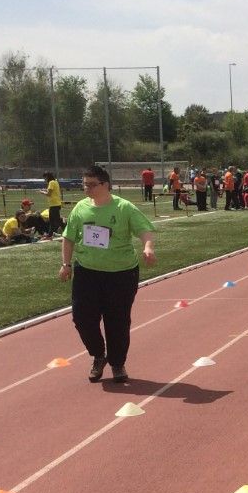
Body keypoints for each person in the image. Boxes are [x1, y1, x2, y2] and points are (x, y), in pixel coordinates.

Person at [59, 164, 156, 384]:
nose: (87, 189)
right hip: (87, 271)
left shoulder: (124, 208)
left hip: (120, 273)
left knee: (117, 321)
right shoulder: (80, 208)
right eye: (85, 185)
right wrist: (66, 264)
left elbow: (144, 229)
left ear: (106, 185)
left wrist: (148, 247)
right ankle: (98, 355)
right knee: (82, 318)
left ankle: (117, 363)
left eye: (92, 185)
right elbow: (69, 237)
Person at [40, 171, 64, 238]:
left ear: (47, 177)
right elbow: (51, 192)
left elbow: (49, 194)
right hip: (55, 204)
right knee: (53, 220)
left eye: (45, 178)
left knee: (56, 220)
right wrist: (45, 191)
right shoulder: (55, 182)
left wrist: (42, 192)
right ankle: (50, 234)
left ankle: (66, 230)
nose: (45, 180)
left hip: (54, 204)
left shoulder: (51, 182)